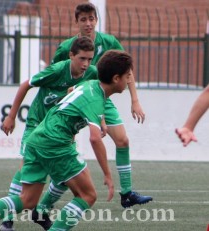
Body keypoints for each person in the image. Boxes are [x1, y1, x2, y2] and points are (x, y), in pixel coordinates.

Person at [0, 49, 132, 231]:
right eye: (127, 76)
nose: (129, 80)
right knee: (87, 195)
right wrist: (107, 174)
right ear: (115, 78)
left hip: (38, 138)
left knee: (28, 199)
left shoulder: (89, 84)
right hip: (55, 142)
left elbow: (72, 91)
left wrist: (100, 121)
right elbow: (95, 139)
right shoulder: (95, 97)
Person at [40, 2, 153, 213]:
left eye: (91, 19)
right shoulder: (66, 48)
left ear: (96, 20)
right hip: (77, 101)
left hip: (102, 98)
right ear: (76, 22)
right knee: (67, 157)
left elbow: (127, 69)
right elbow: (56, 75)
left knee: (122, 140)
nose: (88, 23)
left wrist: (134, 100)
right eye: (83, 19)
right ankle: (44, 204)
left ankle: (127, 193)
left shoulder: (108, 41)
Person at [0, 36, 100, 230]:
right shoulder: (57, 70)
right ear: (71, 55)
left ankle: (41, 211)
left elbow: (99, 96)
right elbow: (25, 85)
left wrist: (101, 121)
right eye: (82, 59)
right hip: (37, 125)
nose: (86, 64)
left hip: (60, 129)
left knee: (64, 177)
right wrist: (11, 117)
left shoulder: (92, 73)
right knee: (26, 169)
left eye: (90, 59)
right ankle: (7, 218)